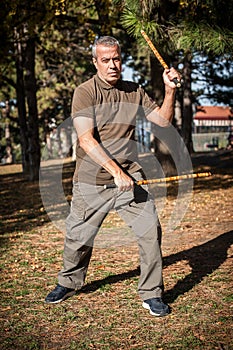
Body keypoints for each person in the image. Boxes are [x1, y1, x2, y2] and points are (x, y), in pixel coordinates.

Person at [45, 36, 181, 317]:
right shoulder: (86, 92)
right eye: (105, 60)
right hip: (92, 180)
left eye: (116, 59)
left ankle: (151, 293)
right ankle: (68, 282)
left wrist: (170, 91)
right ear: (95, 62)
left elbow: (163, 123)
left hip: (130, 178)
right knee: (78, 237)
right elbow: (85, 139)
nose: (112, 65)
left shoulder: (134, 91)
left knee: (150, 233)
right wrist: (115, 172)